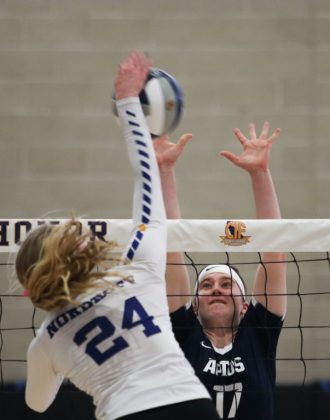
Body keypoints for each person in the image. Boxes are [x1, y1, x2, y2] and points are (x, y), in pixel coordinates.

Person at [15, 52, 221, 420]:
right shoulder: (136, 272)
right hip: (192, 407)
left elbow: (37, 404)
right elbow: (147, 182)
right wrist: (128, 102)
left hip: (127, 412)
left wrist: (63, 355)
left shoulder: (46, 339)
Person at [153, 123, 287, 420]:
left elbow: (275, 254)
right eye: (207, 285)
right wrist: (163, 170)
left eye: (227, 284)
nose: (216, 288)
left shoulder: (258, 333)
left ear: (246, 304)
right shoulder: (183, 334)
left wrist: (260, 173)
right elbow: (172, 249)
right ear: (194, 303)